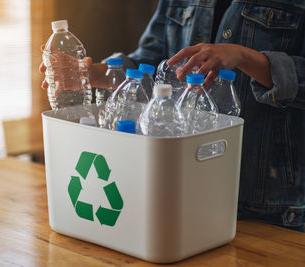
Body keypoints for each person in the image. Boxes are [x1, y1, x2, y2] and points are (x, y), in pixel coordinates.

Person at [40, 0, 305, 231]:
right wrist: (92, 75)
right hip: (181, 200)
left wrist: (245, 57)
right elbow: (154, 65)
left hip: (270, 211)